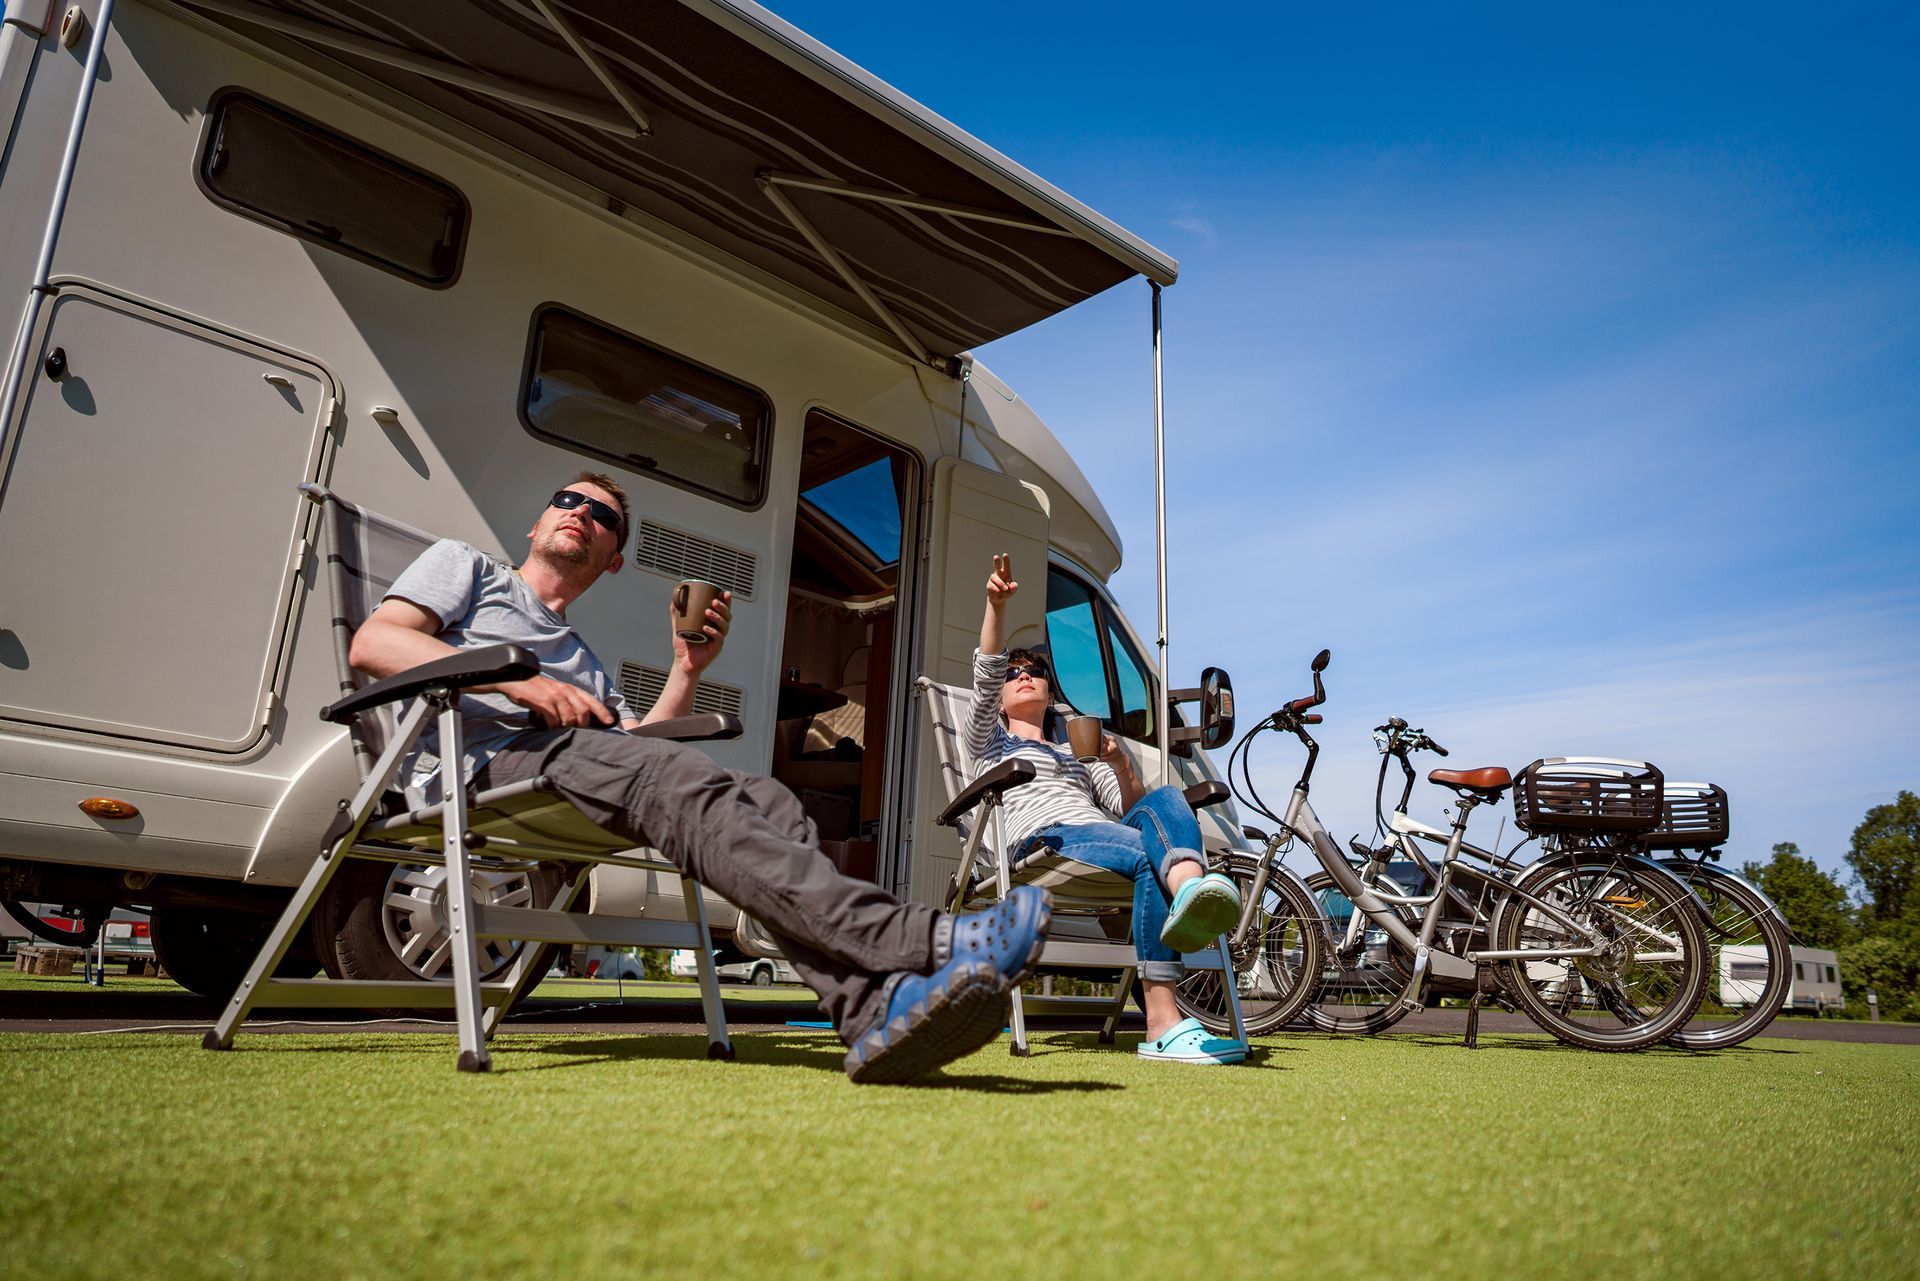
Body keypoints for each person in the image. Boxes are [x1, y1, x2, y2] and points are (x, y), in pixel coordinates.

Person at [349, 472, 1053, 1084]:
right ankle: (921, 940)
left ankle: (866, 1009)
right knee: (669, 775)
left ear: (614, 558)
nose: (580, 514)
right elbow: (374, 643)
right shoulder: (468, 568)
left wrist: (688, 671)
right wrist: (525, 685)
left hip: (576, 769)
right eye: (568, 501)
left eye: (602, 516)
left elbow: (634, 746)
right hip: (484, 764)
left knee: (772, 797)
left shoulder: (584, 660)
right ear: (537, 521)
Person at [969, 553, 1246, 1065]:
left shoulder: (1074, 748)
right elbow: (984, 678)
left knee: (1164, 798)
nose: (1024, 675)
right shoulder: (990, 744)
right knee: (1147, 854)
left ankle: (1188, 889)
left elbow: (1133, 808)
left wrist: (1119, 764)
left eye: (1035, 671)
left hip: (1099, 834)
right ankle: (1163, 1022)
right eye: (1015, 673)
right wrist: (995, 607)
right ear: (1002, 696)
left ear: (1051, 692)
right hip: (1043, 841)